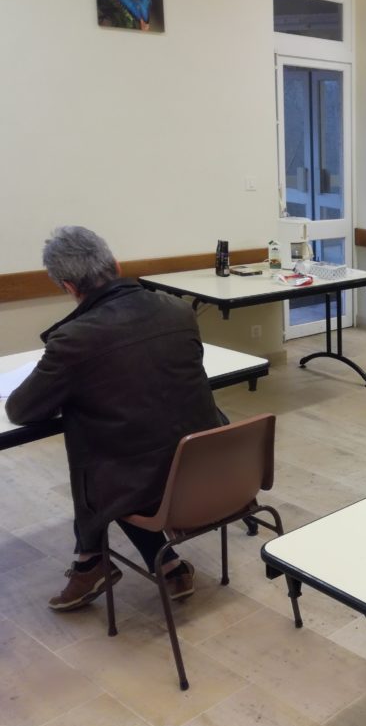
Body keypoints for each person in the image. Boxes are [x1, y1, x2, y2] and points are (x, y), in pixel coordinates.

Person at [6, 226, 223, 611]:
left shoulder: (75, 338)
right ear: (116, 265)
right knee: (121, 442)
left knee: (98, 456)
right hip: (211, 468)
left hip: (149, 484)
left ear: (68, 287)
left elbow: (22, 410)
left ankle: (91, 563)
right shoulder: (177, 310)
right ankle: (158, 565)